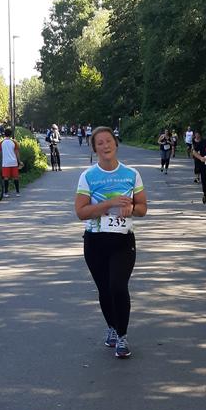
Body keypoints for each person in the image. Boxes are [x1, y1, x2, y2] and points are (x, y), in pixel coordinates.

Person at [75, 126, 147, 360]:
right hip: (95, 241)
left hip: (123, 241)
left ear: (116, 143)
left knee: (118, 286)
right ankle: (112, 328)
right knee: (104, 289)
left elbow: (143, 208)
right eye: (100, 143)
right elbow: (81, 212)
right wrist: (109, 203)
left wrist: (131, 208)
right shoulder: (88, 176)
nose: (105, 146)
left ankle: (122, 336)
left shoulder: (131, 174)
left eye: (109, 141)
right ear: (95, 149)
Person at [0, 126, 21, 195]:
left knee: (6, 178)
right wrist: (19, 161)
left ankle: (6, 193)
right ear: (11, 134)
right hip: (14, 162)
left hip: (5, 163)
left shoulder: (1, 143)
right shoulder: (14, 142)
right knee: (16, 177)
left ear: (4, 134)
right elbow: (17, 152)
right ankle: (17, 192)